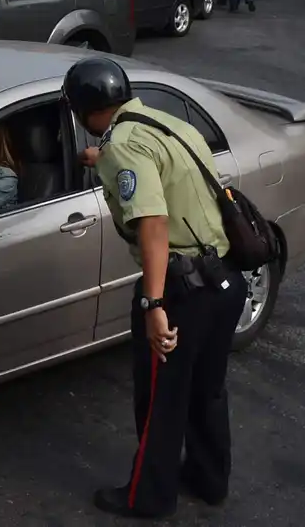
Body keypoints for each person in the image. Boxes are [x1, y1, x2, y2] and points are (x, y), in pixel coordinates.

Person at [64, 56, 247, 520]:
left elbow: (153, 223)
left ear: (84, 109)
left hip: (182, 291)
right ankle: (209, 480)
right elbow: (150, 167)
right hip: (224, 280)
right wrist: (101, 159)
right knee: (208, 391)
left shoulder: (124, 146)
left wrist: (154, 303)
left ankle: (148, 498)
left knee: (161, 399)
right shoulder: (164, 122)